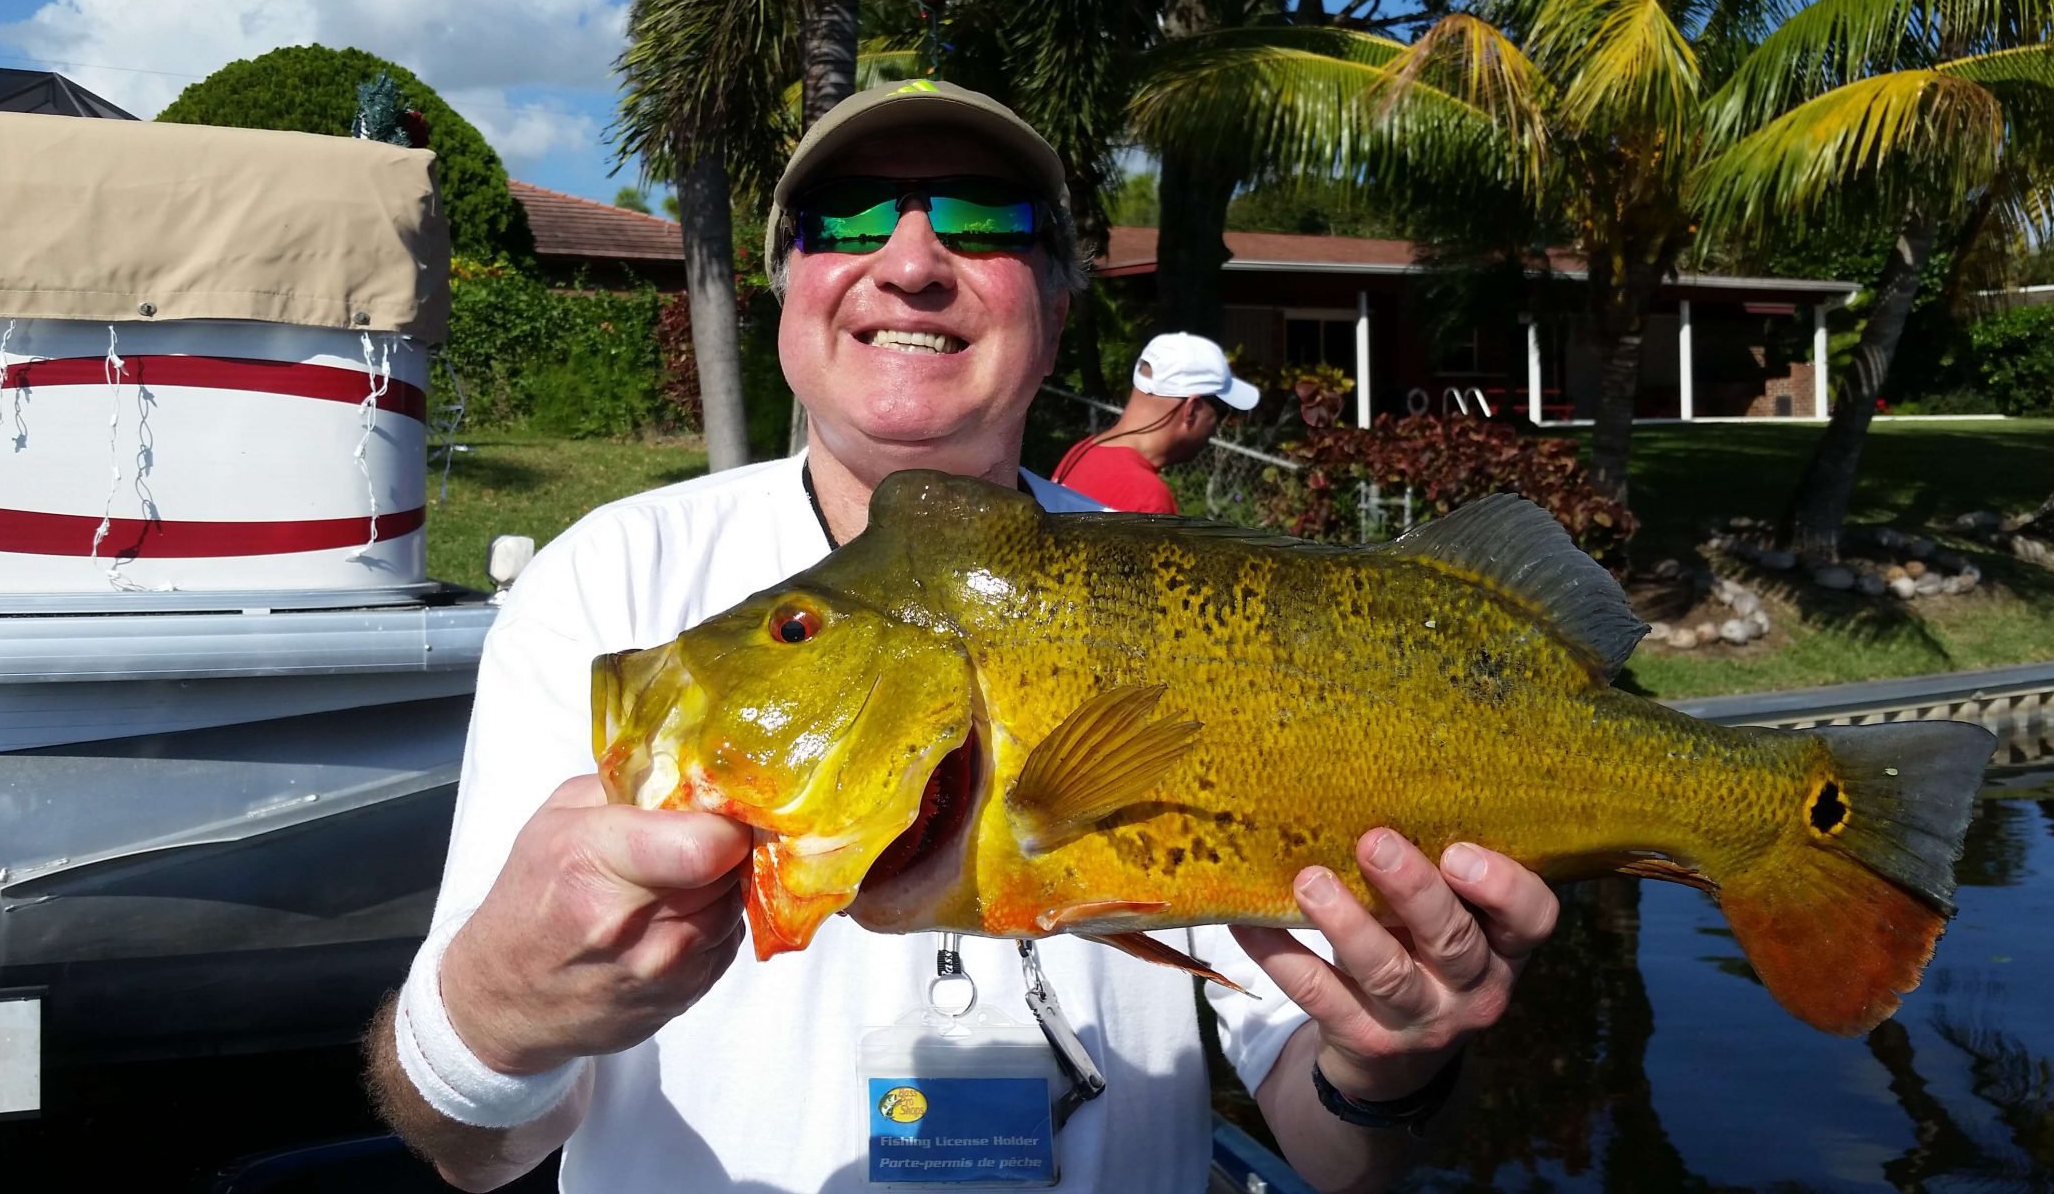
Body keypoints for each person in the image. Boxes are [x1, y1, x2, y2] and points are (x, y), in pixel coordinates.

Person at [366, 79, 1558, 1194]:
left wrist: (1386, 1068)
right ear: (788, 281)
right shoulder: (615, 580)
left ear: (1059, 298)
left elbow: (1327, 1128)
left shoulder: (1173, 588)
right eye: (847, 216)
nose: (911, 261)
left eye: (987, 221)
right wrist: (501, 1009)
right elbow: (471, 1154)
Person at [1052, 332, 1259, 514]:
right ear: (1192, 409)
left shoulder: (1081, 452)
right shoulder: (1147, 500)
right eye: (1220, 412)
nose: (1217, 426)